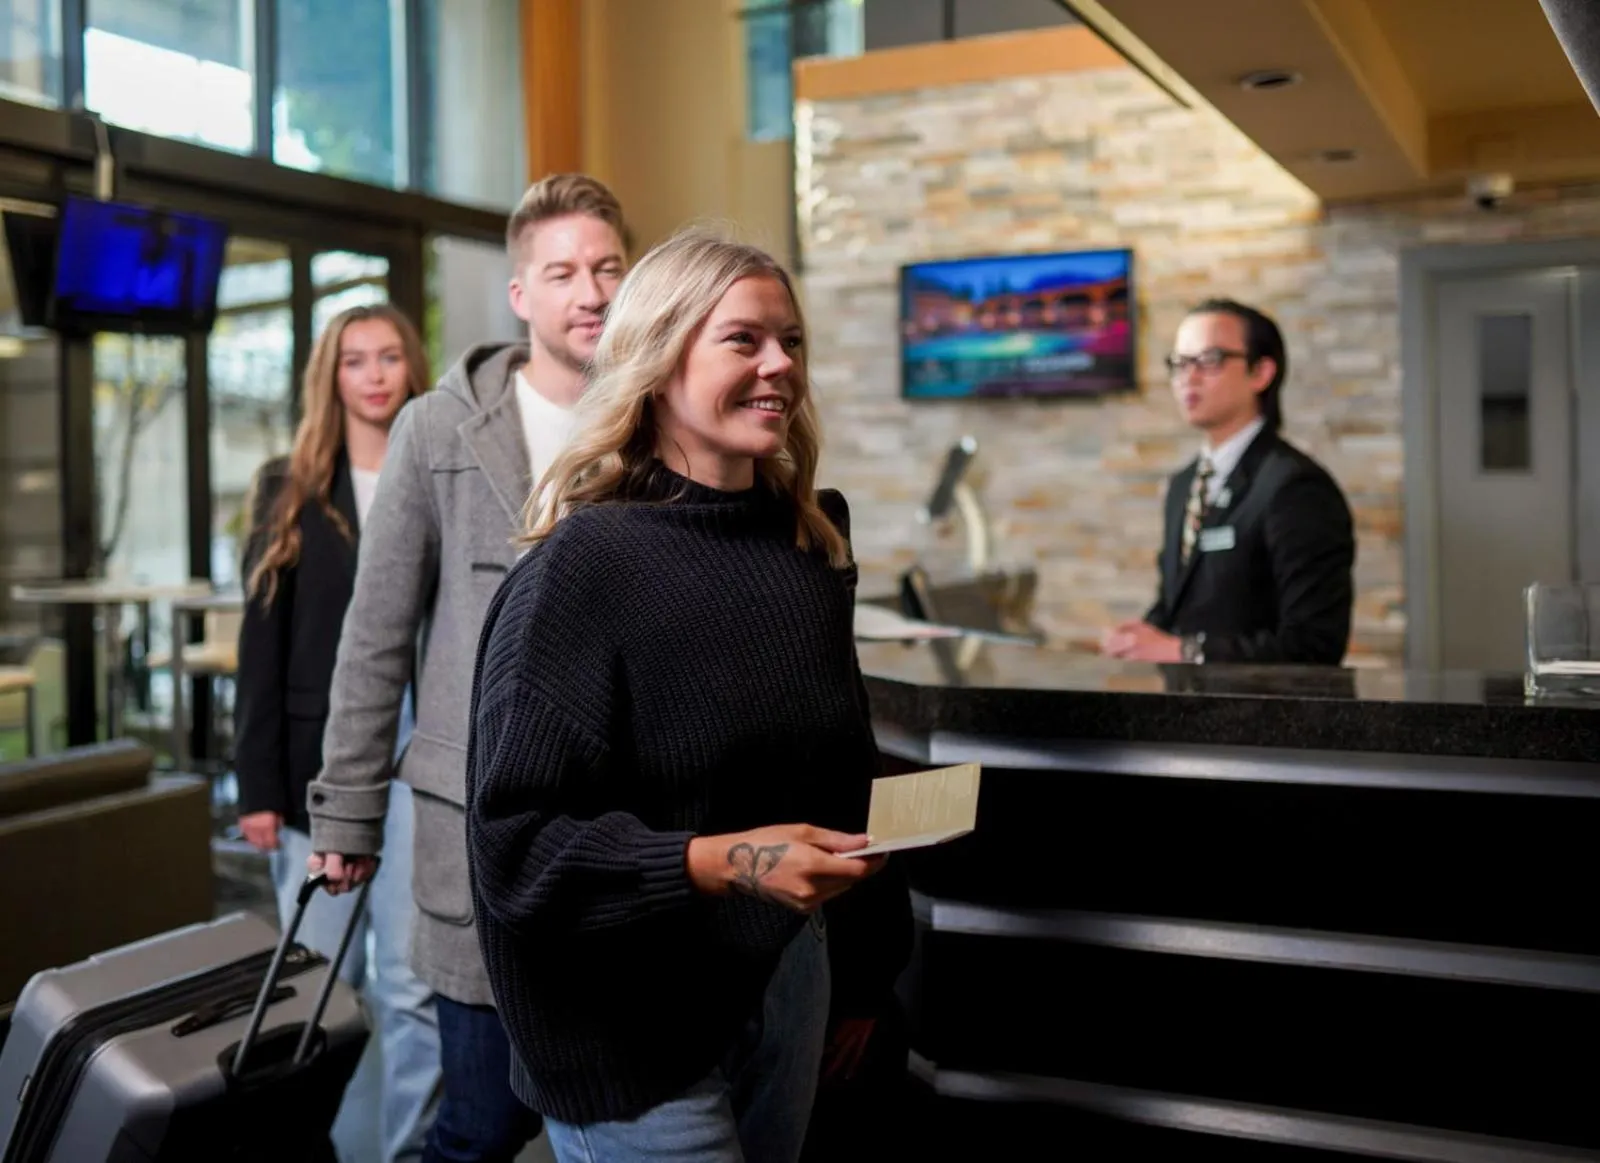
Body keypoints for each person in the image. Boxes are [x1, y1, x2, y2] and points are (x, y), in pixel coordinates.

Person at [464, 228, 912, 1163]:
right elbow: (515, 850)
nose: (781, 365)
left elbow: (842, 776)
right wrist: (727, 861)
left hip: (785, 979)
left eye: (790, 341)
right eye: (744, 340)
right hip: (623, 1024)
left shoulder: (807, 545)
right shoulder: (581, 569)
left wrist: (869, 975)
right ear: (658, 360)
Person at [304, 173, 630, 1163]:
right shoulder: (441, 429)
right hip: (479, 831)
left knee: (618, 1116)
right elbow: (374, 634)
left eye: (609, 267)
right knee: (481, 1122)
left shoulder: (657, 422)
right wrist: (346, 813)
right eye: (564, 271)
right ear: (520, 293)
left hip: (629, 834)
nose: (592, 291)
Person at [234, 302, 440, 1163]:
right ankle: (299, 1145)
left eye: (389, 356)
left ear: (410, 367)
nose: (375, 374)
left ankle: (410, 1153)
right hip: (322, 766)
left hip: (425, 759)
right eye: (356, 360)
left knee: (413, 986)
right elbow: (262, 648)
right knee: (317, 983)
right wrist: (257, 786)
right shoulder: (290, 486)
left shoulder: (440, 468)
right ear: (333, 377)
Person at [1102, 298, 1355, 665]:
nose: (1189, 376)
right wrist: (1141, 636)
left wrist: (1186, 651)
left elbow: (1313, 645)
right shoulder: (1183, 484)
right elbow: (1181, 607)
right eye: (1179, 363)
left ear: (1260, 373)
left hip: (1265, 716)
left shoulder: (1296, 487)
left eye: (1209, 360)